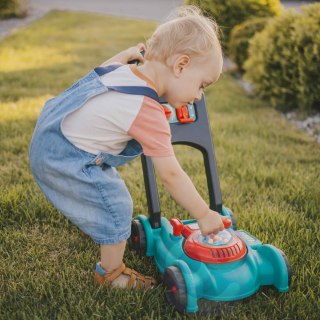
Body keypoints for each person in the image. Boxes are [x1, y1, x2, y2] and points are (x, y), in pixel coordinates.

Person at [29, 5, 227, 290]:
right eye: (202, 85)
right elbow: (171, 175)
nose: (198, 97)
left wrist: (127, 53)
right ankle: (110, 274)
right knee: (116, 205)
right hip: (66, 157)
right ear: (181, 65)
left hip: (49, 134)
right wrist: (204, 215)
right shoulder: (146, 110)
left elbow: (110, 65)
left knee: (101, 191)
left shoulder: (124, 69)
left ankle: (97, 224)